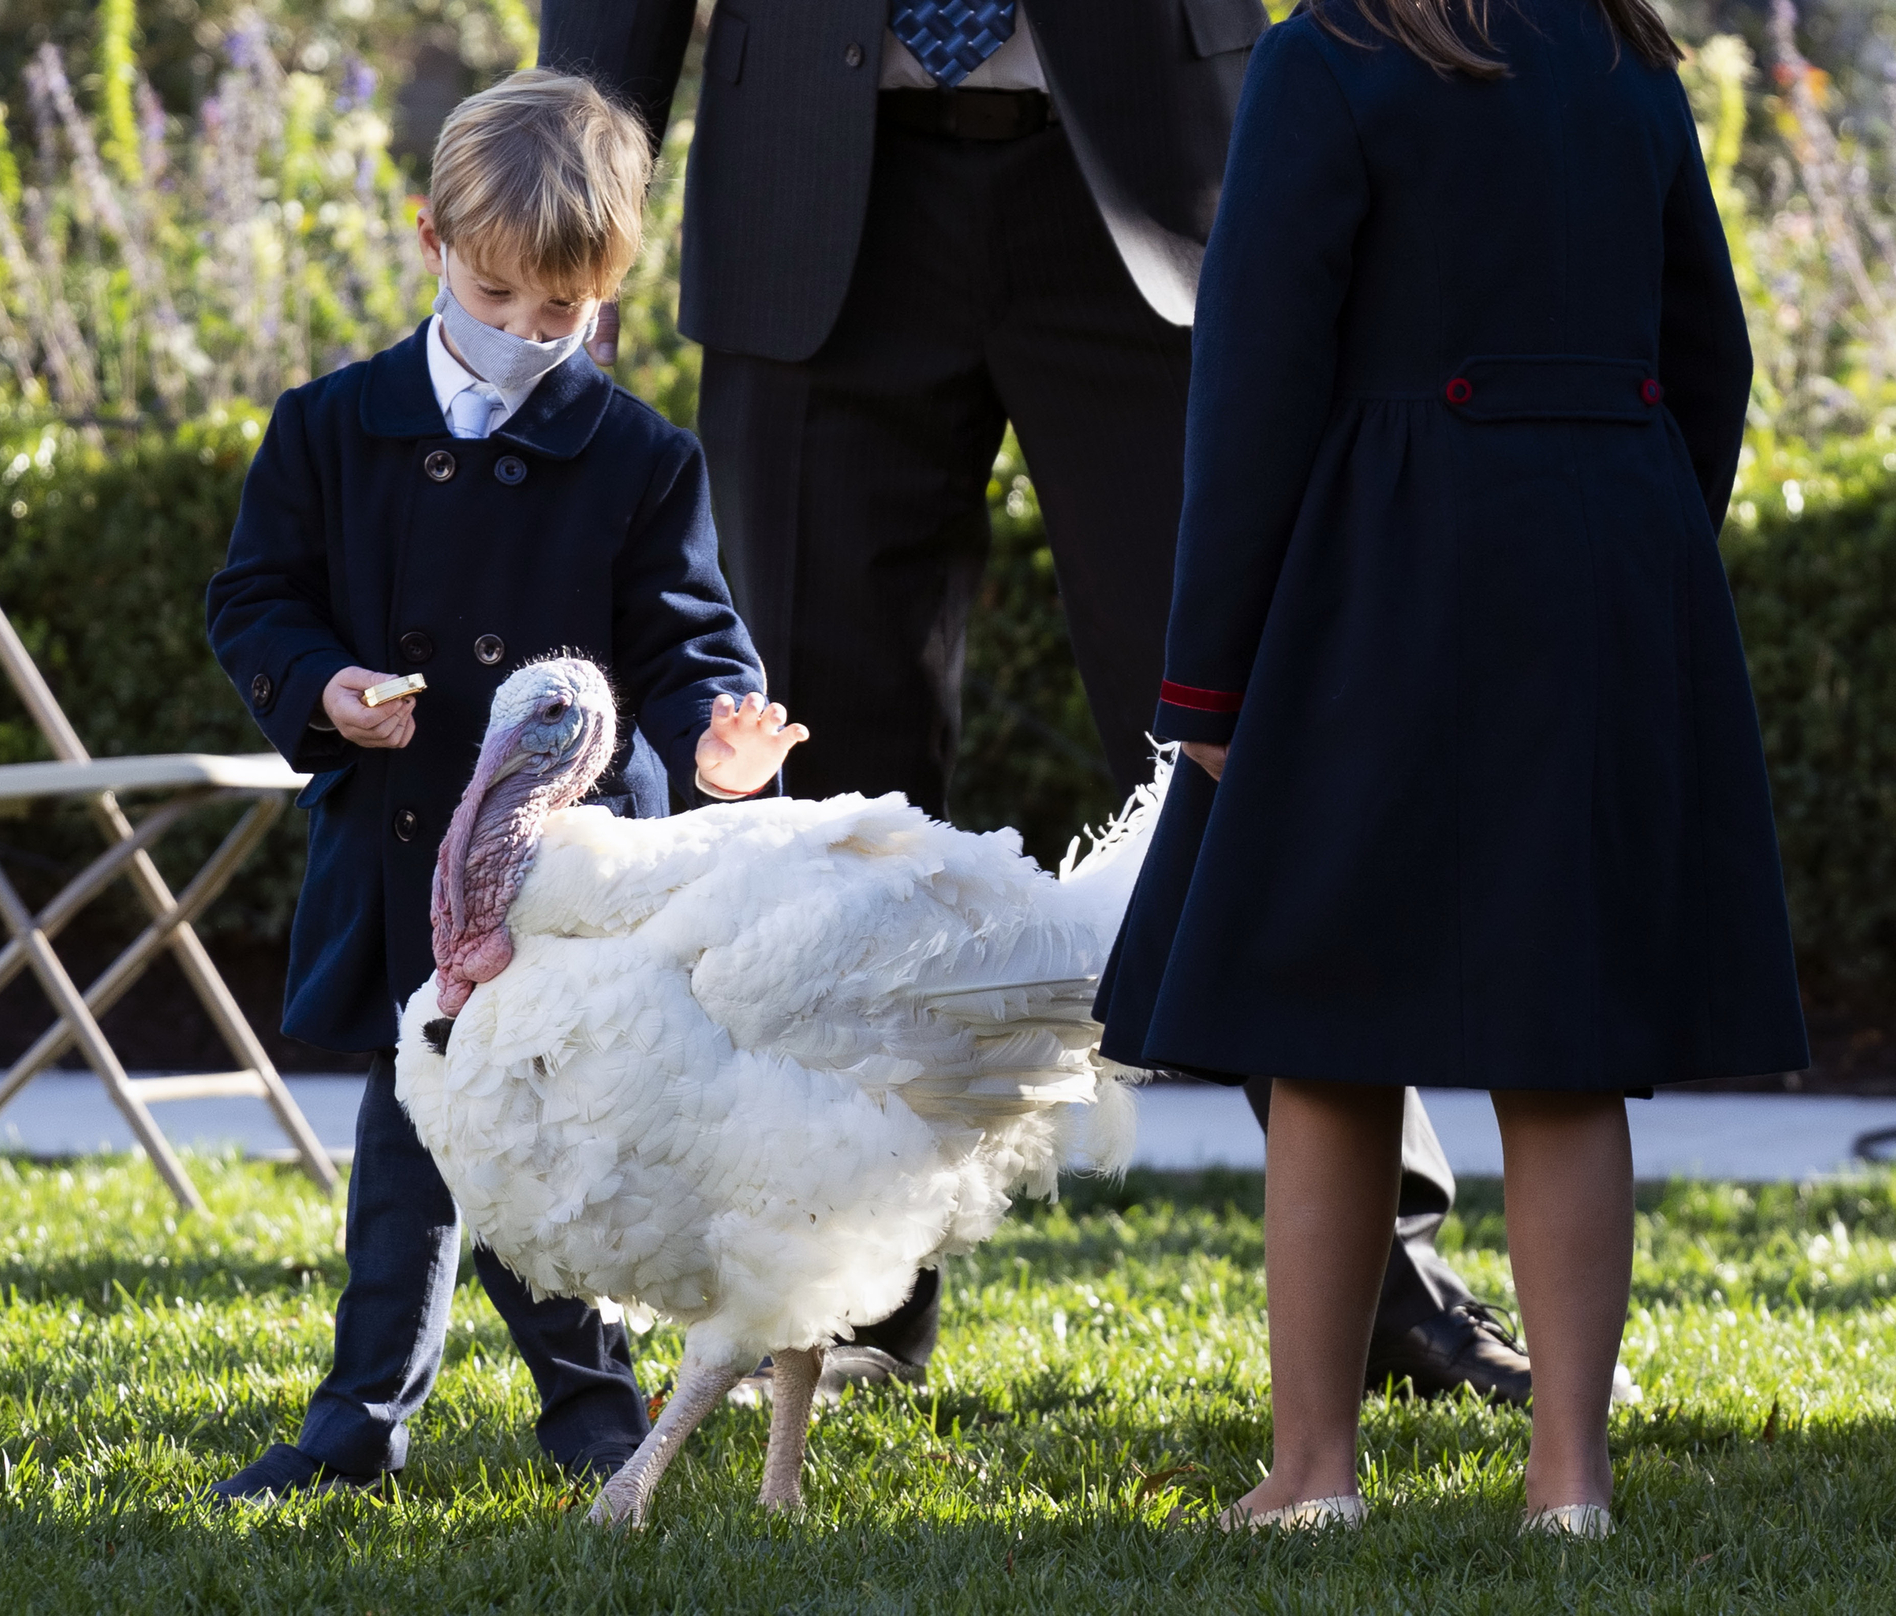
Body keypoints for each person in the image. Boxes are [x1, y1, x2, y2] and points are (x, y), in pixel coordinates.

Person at [541, 0, 1529, 1407]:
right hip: (810, 195)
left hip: (1150, 184)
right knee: (828, 802)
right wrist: (562, 189)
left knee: (1245, 745)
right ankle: (845, 1298)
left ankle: (1394, 1282)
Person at [1098, 0, 1809, 1535]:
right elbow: (1711, 352)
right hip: (1607, 571)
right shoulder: (1633, 61)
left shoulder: (1332, 54)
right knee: (1562, 1043)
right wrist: (1639, 539)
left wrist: (1208, 671)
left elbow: (1259, 376)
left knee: (1328, 1029)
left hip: (1382, 581)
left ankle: (1313, 1472)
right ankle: (1571, 1479)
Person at [202, 69, 805, 1501]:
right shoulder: (329, 427)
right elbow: (253, 601)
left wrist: (719, 738)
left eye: (565, 312)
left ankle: (592, 1409)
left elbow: (684, 639)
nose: (532, 335)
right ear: (431, 242)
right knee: (407, 1152)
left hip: (561, 887)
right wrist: (326, 685)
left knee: (550, 1151)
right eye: (500, 298)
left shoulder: (639, 456)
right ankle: (357, 1423)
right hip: (402, 860)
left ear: (611, 287)